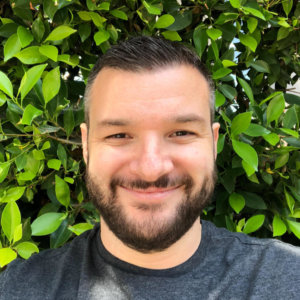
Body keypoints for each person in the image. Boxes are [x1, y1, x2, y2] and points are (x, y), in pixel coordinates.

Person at [1, 36, 300, 300]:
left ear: (213, 141)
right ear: (86, 146)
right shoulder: (15, 289)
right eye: (119, 135)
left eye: (181, 133)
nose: (151, 168)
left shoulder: (289, 279)